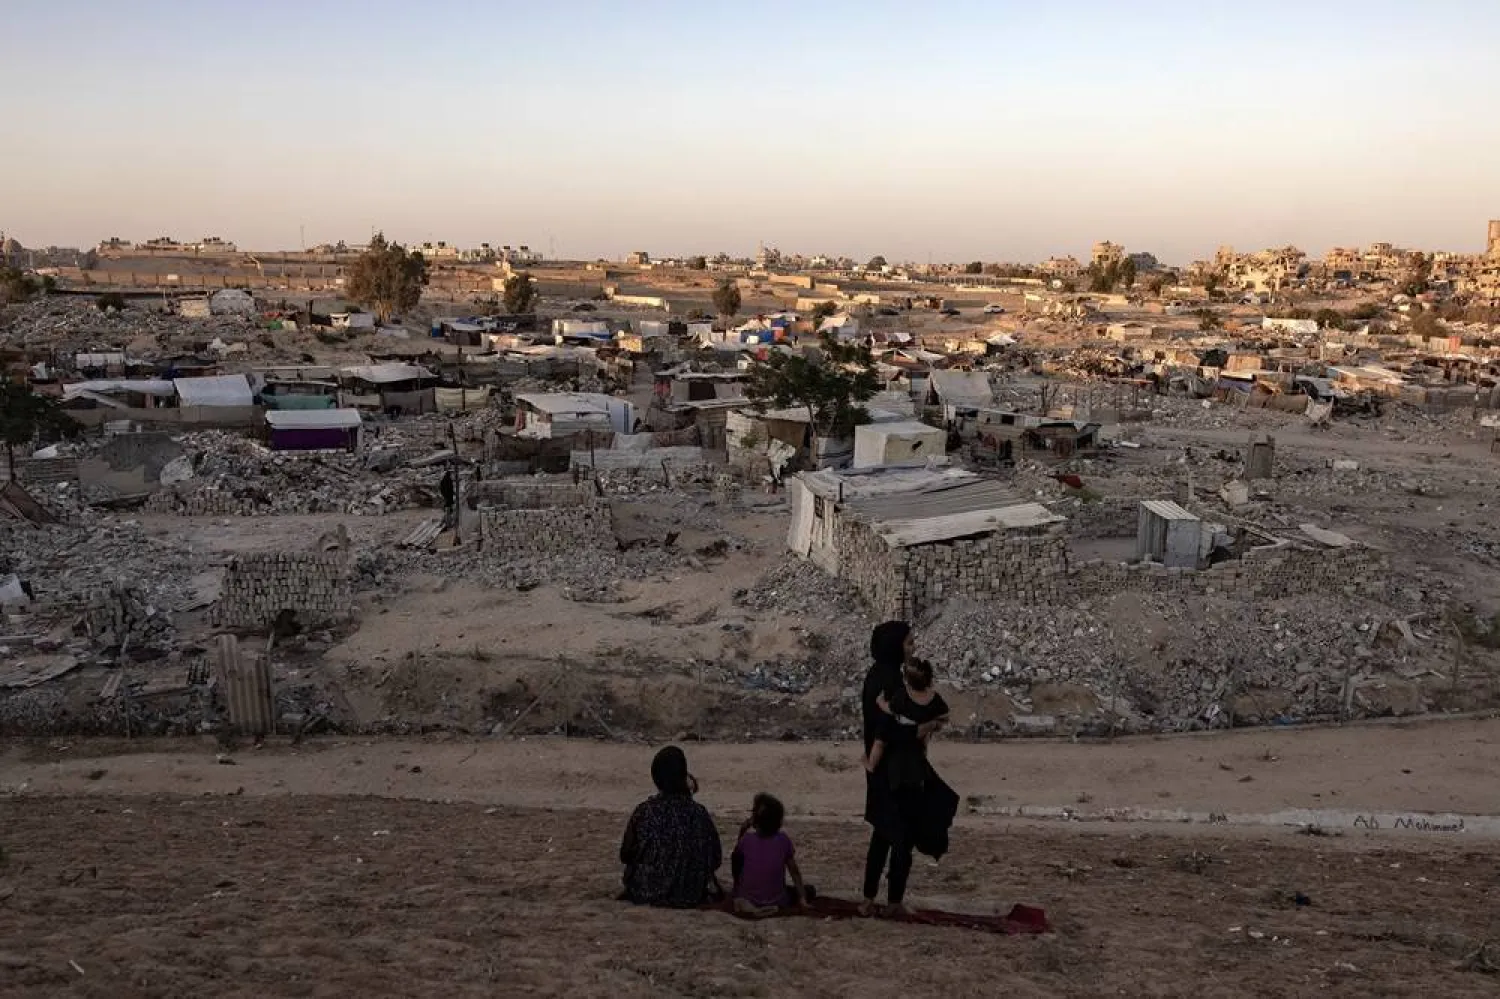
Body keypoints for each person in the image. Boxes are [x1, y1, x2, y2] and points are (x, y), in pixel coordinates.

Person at [861, 647, 954, 917]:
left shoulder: (899, 699)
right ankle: (894, 901)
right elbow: (942, 718)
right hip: (917, 773)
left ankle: (869, 898)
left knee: (882, 837)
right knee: (904, 841)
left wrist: (881, 707)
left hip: (893, 774)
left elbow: (884, 730)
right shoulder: (933, 700)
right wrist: (929, 726)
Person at [619, 746, 723, 907]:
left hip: (647, 889)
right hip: (690, 892)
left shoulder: (645, 811)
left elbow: (625, 855)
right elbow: (715, 858)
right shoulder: (699, 813)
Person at [730, 793, 807, 917]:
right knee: (807, 890)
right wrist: (802, 899)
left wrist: (742, 830)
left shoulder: (747, 840)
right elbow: (794, 872)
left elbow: (736, 858)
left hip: (748, 899)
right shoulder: (783, 840)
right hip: (777, 901)